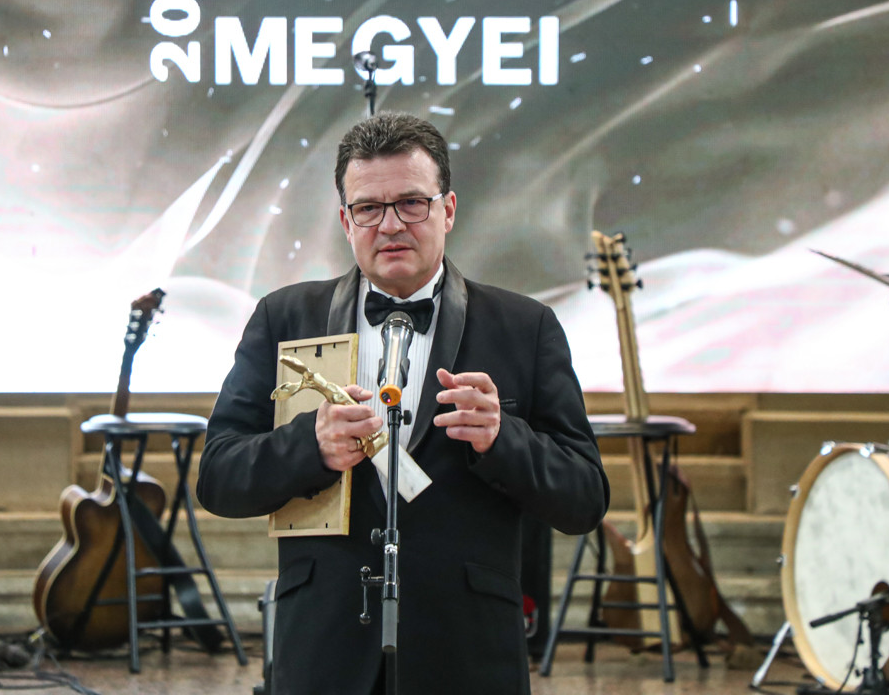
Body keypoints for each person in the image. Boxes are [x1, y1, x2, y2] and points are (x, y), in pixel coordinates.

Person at [196, 112, 609, 695]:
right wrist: (309, 446)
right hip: (324, 650)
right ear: (346, 220)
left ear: (448, 209)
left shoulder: (524, 327)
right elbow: (218, 478)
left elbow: (585, 499)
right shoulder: (284, 318)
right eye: (368, 208)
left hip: (468, 654)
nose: (390, 224)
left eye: (412, 203)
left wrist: (503, 439)